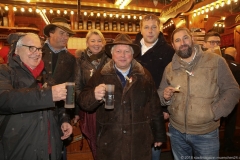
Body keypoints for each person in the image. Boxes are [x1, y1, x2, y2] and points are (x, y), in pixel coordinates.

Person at [78, 33, 166, 160]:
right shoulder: (100, 75)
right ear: (112, 54)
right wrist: (93, 95)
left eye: (126, 51)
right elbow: (83, 101)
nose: (122, 55)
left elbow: (155, 106)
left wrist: (159, 134)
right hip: (110, 141)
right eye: (118, 51)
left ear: (132, 54)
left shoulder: (144, 75)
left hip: (139, 140)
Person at [158, 27, 240, 159]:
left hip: (206, 133)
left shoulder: (215, 61)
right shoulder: (170, 68)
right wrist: (164, 96)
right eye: (177, 40)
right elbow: (161, 92)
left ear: (192, 39)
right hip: (176, 132)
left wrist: (215, 112)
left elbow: (233, 89)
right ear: (173, 45)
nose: (182, 43)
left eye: (185, 38)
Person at [0, 32, 72, 160]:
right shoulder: (5, 72)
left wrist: (64, 120)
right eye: (31, 48)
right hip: (19, 150)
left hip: (51, 151)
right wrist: (48, 95)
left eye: (39, 49)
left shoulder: (45, 77)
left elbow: (59, 107)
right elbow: (5, 100)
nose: (37, 53)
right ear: (17, 49)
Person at [134, 14, 175, 159]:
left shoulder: (169, 52)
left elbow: (172, 81)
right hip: (133, 105)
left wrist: (165, 107)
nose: (150, 31)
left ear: (160, 29)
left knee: (154, 146)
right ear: (140, 29)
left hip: (156, 105)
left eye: (154, 27)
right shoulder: (131, 49)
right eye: (146, 27)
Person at [42, 17, 76, 159]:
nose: (65, 37)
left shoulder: (71, 58)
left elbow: (72, 87)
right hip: (36, 112)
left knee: (58, 151)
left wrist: (68, 116)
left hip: (60, 113)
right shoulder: (36, 51)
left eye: (67, 35)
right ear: (51, 33)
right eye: (62, 33)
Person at [74, 29, 110, 159]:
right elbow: (77, 87)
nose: (96, 44)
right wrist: (81, 106)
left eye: (99, 40)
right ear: (87, 43)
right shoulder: (80, 60)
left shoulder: (110, 58)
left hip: (108, 107)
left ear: (103, 42)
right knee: (94, 141)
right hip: (89, 109)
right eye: (93, 40)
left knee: (108, 141)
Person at [222, 47, 240, 152]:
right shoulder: (237, 66)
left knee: (217, 123)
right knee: (230, 124)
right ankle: (228, 145)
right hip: (232, 101)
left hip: (217, 100)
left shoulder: (219, 62)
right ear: (235, 54)